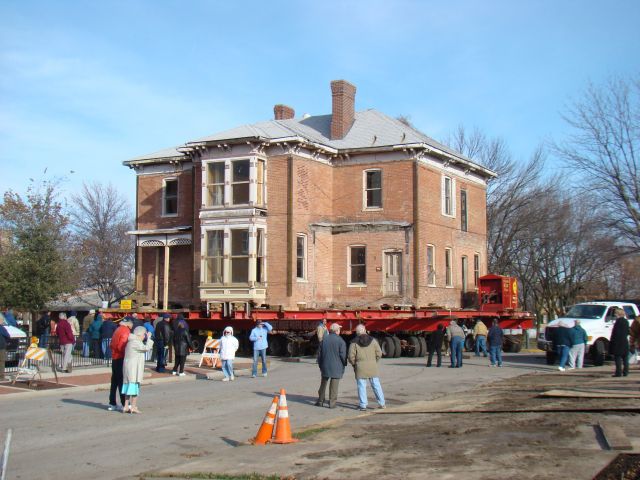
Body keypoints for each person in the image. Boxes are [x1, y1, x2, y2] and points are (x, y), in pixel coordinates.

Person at [348, 324, 385, 411]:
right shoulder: (373, 340)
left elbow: (350, 356)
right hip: (372, 366)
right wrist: (374, 361)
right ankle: (382, 403)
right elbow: (379, 353)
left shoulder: (354, 343)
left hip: (360, 367)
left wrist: (354, 364)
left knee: (361, 386)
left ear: (357, 333)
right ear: (365, 330)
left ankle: (363, 405)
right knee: (376, 385)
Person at [122, 326, 154, 414]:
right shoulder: (135, 342)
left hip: (130, 367)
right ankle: (133, 406)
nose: (145, 336)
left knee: (128, 387)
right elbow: (146, 348)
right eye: (144, 334)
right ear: (139, 334)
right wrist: (149, 338)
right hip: (133, 368)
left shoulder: (131, 341)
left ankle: (126, 406)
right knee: (134, 387)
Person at [316, 323, 347, 408]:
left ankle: (320, 400)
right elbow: (343, 355)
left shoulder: (324, 340)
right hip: (337, 366)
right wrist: (344, 364)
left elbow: (319, 354)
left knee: (323, 383)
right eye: (339, 329)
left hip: (325, 365)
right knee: (334, 385)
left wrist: (320, 365)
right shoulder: (341, 341)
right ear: (337, 331)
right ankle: (332, 403)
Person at [107, 317, 133, 411]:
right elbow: (121, 346)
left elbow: (112, 344)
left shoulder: (117, 329)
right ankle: (124, 403)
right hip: (120, 357)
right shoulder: (126, 331)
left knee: (114, 381)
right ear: (129, 323)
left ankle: (112, 403)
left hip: (114, 357)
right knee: (121, 381)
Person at [609, 309, 630, 377]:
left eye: (615, 313)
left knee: (617, 358)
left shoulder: (618, 322)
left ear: (618, 314)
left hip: (618, 342)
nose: (615, 315)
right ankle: (626, 372)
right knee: (625, 358)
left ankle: (618, 372)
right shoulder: (626, 321)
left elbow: (616, 333)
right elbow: (627, 332)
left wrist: (612, 342)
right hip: (625, 341)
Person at [0, 316, 10, 381]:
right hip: (1, 346)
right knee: (1, 361)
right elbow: (8, 335)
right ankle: (1, 376)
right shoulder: (1, 328)